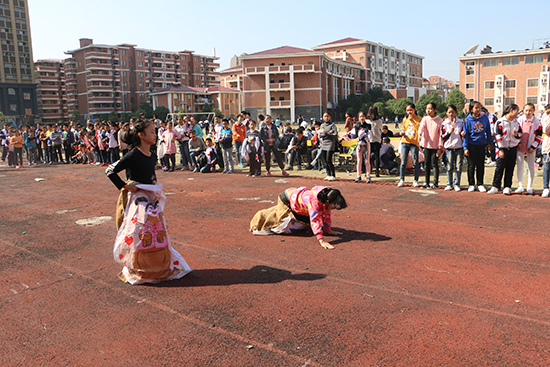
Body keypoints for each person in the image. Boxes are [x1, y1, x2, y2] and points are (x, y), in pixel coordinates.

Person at [105, 119, 191, 284]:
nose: (155, 134)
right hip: (137, 200)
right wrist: (124, 186)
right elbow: (109, 170)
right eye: (151, 132)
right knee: (138, 231)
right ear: (141, 135)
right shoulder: (132, 155)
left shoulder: (152, 156)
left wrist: (154, 187)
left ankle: (157, 266)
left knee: (155, 229)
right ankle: (138, 266)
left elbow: (151, 176)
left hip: (151, 200)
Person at [250, 186, 348, 249]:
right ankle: (260, 218)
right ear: (327, 202)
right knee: (282, 226)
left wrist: (328, 230)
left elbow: (326, 214)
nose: (333, 209)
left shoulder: (327, 195)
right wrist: (321, 240)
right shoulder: (314, 202)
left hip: (299, 205)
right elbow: (315, 220)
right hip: (286, 200)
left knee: (304, 225)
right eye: (334, 207)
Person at [487, 104, 521, 195]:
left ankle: (507, 186)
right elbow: (497, 136)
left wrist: (516, 135)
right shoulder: (500, 122)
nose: (518, 113)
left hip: (513, 148)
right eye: (517, 111)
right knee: (499, 167)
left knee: (510, 168)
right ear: (512, 110)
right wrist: (501, 149)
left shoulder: (516, 122)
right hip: (502, 148)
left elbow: (520, 134)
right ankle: (495, 186)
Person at [463, 101, 491, 192]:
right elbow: (466, 135)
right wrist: (465, 147)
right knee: (471, 166)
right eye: (476, 107)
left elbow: (488, 131)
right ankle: (471, 184)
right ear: (471, 109)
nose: (478, 109)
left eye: (479, 107)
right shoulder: (467, 120)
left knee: (480, 165)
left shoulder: (484, 117)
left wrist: (489, 143)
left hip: (481, 144)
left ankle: (480, 184)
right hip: (471, 145)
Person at [515, 103, 542, 195]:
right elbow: (516, 133)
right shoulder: (518, 120)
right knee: (520, 166)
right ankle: (520, 186)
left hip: (531, 147)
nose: (528, 112)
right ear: (523, 111)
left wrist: (534, 146)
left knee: (531, 167)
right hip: (520, 146)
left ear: (534, 111)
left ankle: (529, 186)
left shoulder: (537, 121)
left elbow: (539, 135)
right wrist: (517, 142)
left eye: (530, 110)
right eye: (526, 110)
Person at [418, 102, 444, 189]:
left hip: (436, 146)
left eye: (430, 109)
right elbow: (421, 127)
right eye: (427, 108)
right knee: (427, 164)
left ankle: (435, 183)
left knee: (435, 164)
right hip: (427, 144)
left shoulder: (440, 120)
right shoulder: (425, 119)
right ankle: (426, 182)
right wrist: (419, 135)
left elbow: (441, 134)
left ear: (435, 110)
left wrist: (440, 147)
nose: (428, 110)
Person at [397, 103, 422, 187]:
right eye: (407, 110)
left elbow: (419, 129)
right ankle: (402, 179)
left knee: (415, 161)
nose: (409, 112)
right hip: (405, 141)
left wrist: (413, 121)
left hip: (414, 143)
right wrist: (402, 133)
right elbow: (404, 128)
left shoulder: (419, 119)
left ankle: (415, 180)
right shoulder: (405, 119)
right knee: (403, 161)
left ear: (415, 109)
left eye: (411, 110)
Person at [441, 105, 464, 191]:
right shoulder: (444, 123)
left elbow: (463, 131)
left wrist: (462, 133)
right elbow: (442, 136)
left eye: (453, 112)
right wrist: (448, 132)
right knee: (449, 167)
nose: (451, 114)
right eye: (449, 112)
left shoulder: (460, 122)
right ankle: (449, 184)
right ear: (446, 113)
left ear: (456, 112)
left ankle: (457, 184)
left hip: (458, 147)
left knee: (458, 167)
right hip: (449, 148)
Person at [352, 111, 371, 183]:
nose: (362, 118)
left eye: (363, 116)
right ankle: (358, 176)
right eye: (360, 117)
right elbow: (356, 136)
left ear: (365, 117)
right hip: (359, 144)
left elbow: (369, 134)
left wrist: (364, 138)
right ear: (358, 118)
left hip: (366, 144)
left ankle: (368, 176)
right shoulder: (357, 126)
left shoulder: (368, 125)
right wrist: (358, 138)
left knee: (367, 160)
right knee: (359, 160)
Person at [319, 112, 338, 181]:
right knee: (324, 160)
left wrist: (327, 134)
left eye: (328, 116)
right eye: (325, 116)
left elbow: (335, 135)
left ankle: (333, 175)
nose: (326, 117)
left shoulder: (332, 125)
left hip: (330, 144)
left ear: (330, 117)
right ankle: (328, 174)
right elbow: (321, 135)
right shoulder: (322, 125)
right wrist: (329, 133)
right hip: (324, 143)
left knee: (328, 159)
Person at [366, 106, 383, 177]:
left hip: (369, 140)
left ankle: (368, 171)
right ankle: (377, 172)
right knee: (377, 156)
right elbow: (380, 130)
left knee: (369, 156)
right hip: (377, 140)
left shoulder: (367, 121)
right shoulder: (379, 121)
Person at [541, 104, 550, 198]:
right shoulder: (546, 117)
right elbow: (546, 130)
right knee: (547, 168)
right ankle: (546, 188)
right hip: (548, 146)